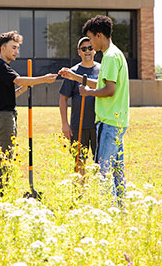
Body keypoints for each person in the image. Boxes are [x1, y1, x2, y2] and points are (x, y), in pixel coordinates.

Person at [59, 15, 129, 207]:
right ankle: (121, 209)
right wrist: (77, 78)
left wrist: (89, 93)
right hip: (116, 121)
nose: (90, 43)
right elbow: (102, 83)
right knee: (117, 171)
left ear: (99, 35)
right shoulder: (115, 54)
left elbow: (109, 90)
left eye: (91, 38)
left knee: (104, 171)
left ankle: (110, 211)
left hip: (109, 122)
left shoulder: (109, 57)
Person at [0, 30, 58, 205]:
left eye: (18, 48)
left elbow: (9, 93)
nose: (16, 52)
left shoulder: (3, 68)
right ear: (3, 48)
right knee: (4, 157)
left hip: (7, 115)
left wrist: (21, 90)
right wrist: (42, 79)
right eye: (13, 48)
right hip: (4, 118)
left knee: (7, 156)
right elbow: (19, 80)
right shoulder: (0, 66)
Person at [59, 37, 100, 167]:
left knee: (100, 161)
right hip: (79, 124)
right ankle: (80, 187)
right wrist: (65, 124)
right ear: (79, 52)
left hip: (98, 123)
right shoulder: (73, 72)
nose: (87, 51)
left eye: (90, 48)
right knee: (79, 162)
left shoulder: (102, 70)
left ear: (94, 50)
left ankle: (97, 187)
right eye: (84, 49)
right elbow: (63, 98)